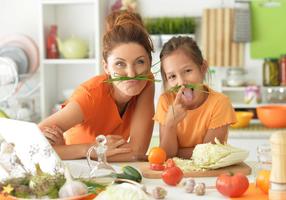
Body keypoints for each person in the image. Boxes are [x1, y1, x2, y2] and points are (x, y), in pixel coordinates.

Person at [39, 10, 155, 162]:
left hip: (110, 170)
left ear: (149, 63)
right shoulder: (90, 96)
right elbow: (28, 143)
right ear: (106, 67)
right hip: (75, 169)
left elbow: (137, 151)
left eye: (140, 62)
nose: (132, 74)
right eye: (120, 64)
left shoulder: (146, 82)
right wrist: (91, 149)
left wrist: (98, 153)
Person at [153, 36, 236, 159]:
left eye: (187, 71)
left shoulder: (220, 103)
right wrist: (170, 124)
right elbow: (166, 155)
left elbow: (209, 154)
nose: (181, 82)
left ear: (202, 68)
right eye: (172, 76)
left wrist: (177, 152)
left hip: (209, 175)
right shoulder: (166, 101)